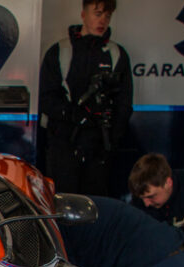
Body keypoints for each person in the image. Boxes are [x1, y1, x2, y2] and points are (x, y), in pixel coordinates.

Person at [39, 0, 133, 195]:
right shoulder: (60, 51)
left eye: (107, 16)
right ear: (84, 14)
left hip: (99, 148)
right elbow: (46, 98)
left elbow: (124, 104)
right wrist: (75, 115)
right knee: (62, 204)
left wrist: (111, 140)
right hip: (64, 145)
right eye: (97, 14)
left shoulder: (117, 54)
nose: (103, 21)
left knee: (98, 206)